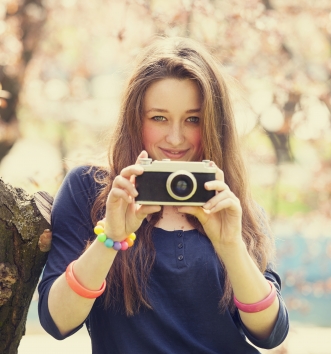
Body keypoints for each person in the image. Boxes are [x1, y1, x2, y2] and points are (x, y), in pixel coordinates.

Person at [38, 36, 289, 353]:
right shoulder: (93, 188)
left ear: (214, 122)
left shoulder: (227, 197)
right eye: (159, 118)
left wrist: (230, 245)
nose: (175, 137)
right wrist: (112, 237)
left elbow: (271, 333)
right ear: (135, 118)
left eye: (193, 119)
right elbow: (57, 321)